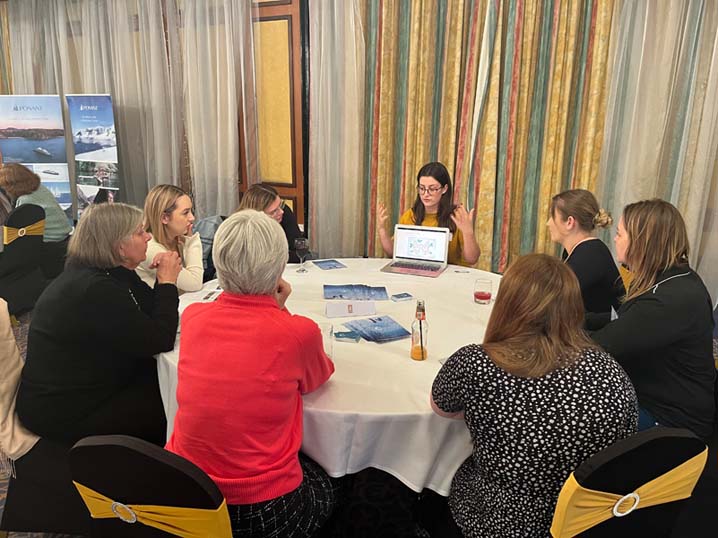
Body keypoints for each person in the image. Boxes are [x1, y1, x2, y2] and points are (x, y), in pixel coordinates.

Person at [431, 253, 638, 537]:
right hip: (583, 521)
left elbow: (441, 408)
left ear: (507, 303)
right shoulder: (610, 369)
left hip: (496, 520)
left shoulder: (475, 363)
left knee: (436, 486)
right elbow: (625, 437)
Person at [166, 209, 337, 538]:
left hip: (187, 492)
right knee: (339, 476)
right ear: (279, 267)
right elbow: (318, 377)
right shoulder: (298, 333)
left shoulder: (193, 317)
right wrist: (280, 308)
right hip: (265, 508)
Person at [16, 202, 182, 447]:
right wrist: (167, 283)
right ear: (119, 247)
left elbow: (150, 312)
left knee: (168, 380)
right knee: (175, 405)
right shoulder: (94, 289)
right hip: (62, 408)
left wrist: (161, 281)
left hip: (88, 381)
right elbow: (160, 339)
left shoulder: (110, 272)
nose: (148, 237)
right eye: (140, 232)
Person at [589, 199, 715, 439]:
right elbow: (625, 322)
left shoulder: (671, 299)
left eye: (620, 234)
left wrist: (554, 330)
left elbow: (598, 347)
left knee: (569, 415)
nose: (614, 239)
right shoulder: (671, 279)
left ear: (643, 242)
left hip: (671, 423)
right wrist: (577, 319)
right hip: (656, 401)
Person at [377, 162, 480, 266]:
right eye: (422, 188)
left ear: (444, 189)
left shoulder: (457, 216)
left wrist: (468, 233)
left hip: (451, 273)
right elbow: (392, 252)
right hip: (417, 270)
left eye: (432, 189)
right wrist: (381, 228)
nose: (426, 194)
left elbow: (472, 259)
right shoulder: (410, 215)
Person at [547, 188, 623, 313]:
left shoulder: (590, 256)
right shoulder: (583, 250)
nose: (548, 223)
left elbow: (550, 302)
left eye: (552, 216)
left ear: (569, 222)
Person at [0, 163, 72, 277]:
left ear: (12, 185)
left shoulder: (26, 200)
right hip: (64, 238)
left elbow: (17, 230)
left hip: (49, 244)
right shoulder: (40, 189)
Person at [136, 184, 203, 294]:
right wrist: (192, 240)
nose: (192, 218)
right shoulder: (149, 248)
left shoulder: (177, 239)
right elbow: (194, 283)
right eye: (185, 213)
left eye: (191, 211)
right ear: (164, 218)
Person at [238, 183, 304, 263]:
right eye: (273, 211)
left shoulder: (284, 213)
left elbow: (300, 251)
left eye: (281, 205)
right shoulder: (241, 229)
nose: (281, 211)